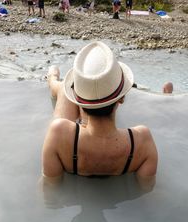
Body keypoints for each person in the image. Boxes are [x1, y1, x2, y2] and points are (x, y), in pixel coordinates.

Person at [42, 41, 158, 188]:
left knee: (63, 92)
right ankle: (63, 83)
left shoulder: (58, 132)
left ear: (79, 101)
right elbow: (146, 190)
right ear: (121, 98)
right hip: (124, 153)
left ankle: (53, 78)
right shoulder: (142, 141)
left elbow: (50, 188)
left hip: (72, 146)